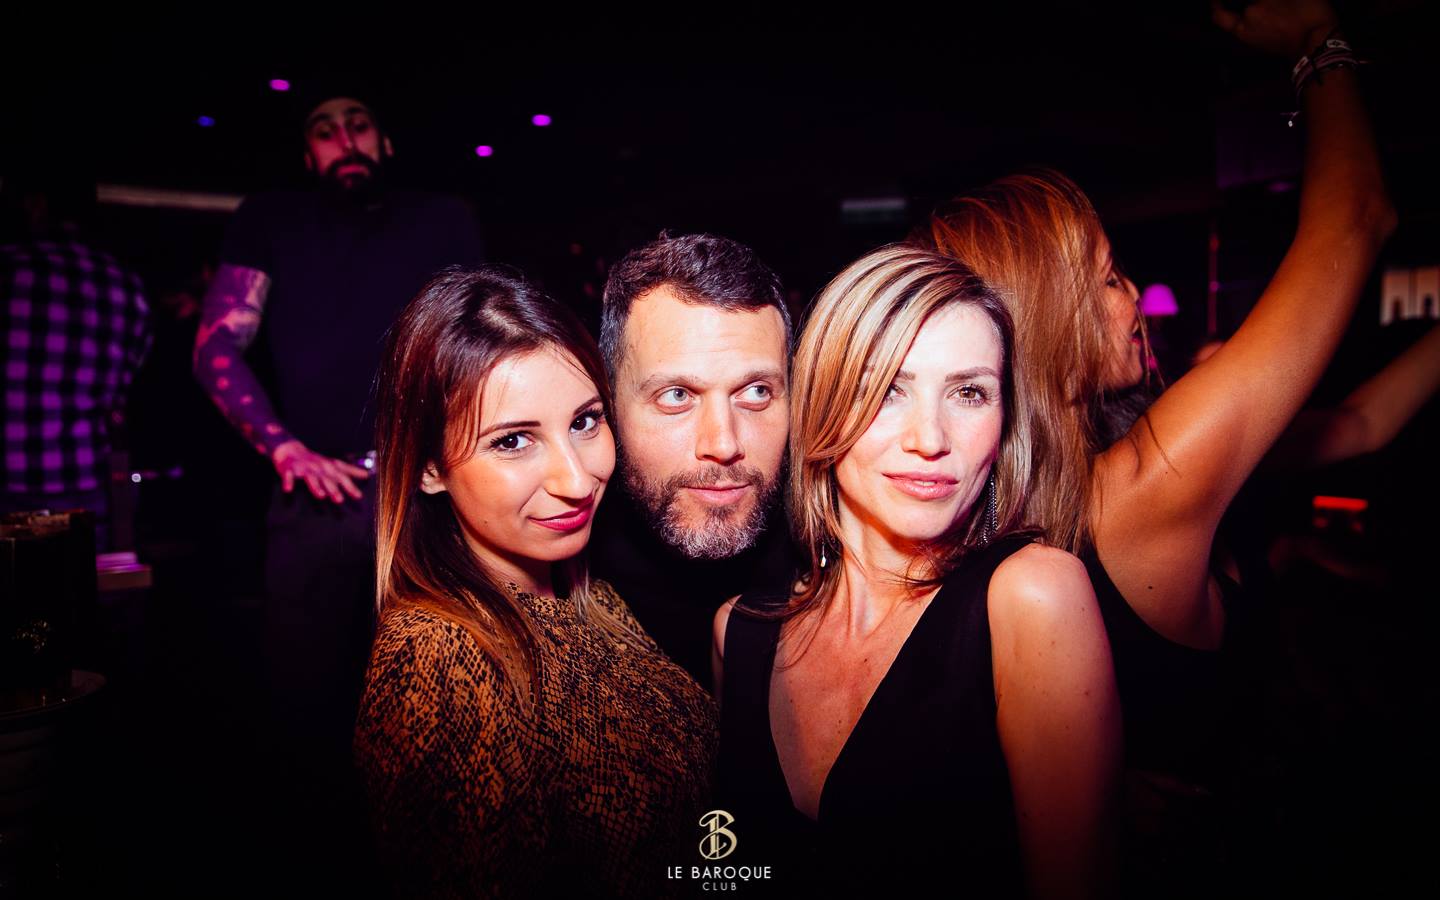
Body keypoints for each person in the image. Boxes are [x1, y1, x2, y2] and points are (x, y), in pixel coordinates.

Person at [921, 0, 1394, 877]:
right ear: (1050, 321)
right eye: (1108, 279)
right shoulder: (1142, 481)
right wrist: (1317, 42)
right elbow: (1355, 218)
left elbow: (1362, 424)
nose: (1136, 296)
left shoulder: (1008, 502)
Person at [714, 246, 1121, 899]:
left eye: (969, 392)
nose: (930, 438)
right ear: (823, 405)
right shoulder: (738, 632)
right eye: (888, 390)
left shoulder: (1033, 598)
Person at [191, 90, 484, 882]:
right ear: (307, 153)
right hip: (313, 500)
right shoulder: (270, 217)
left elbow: (481, 342)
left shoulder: (443, 218)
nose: (343, 139)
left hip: (427, 498)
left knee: (444, 693)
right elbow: (215, 347)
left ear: (385, 142)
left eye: (358, 125)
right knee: (305, 707)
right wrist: (283, 449)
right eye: (324, 130)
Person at [354, 267, 717, 899]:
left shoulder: (590, 597)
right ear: (429, 467)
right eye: (513, 441)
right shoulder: (436, 659)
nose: (576, 480)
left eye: (584, 422)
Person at [591, 232, 797, 688]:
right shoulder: (560, 591)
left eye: (756, 392)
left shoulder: (839, 571)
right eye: (676, 396)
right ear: (609, 405)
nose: (723, 444)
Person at [2, 165, 149, 551]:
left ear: (35, 205)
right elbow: (122, 396)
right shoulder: (123, 285)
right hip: (83, 482)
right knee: (73, 587)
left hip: (8, 484)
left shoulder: (9, 268)